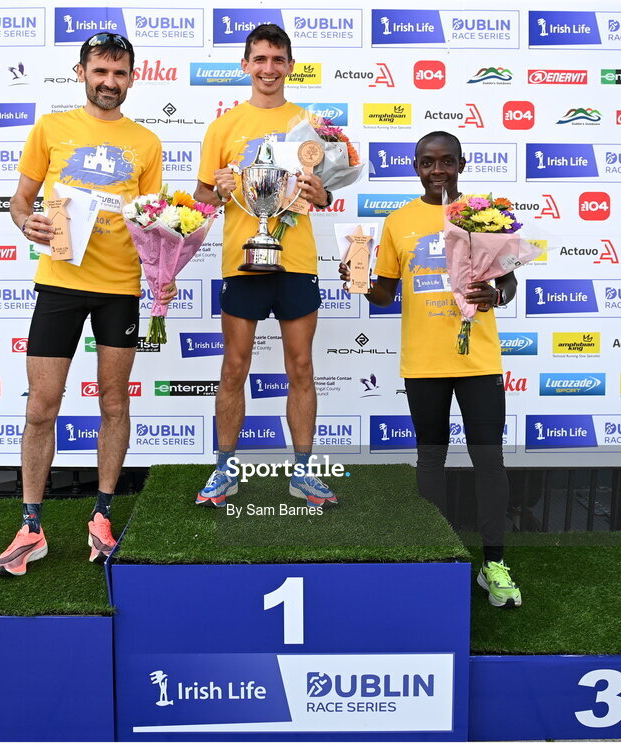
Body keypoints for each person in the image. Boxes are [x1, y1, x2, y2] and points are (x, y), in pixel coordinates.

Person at [0, 33, 171, 576]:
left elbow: (154, 219)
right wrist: (29, 225)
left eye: (119, 73)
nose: (109, 82)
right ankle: (30, 525)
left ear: (132, 78)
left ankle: (103, 514)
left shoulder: (147, 142)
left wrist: (164, 266)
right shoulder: (50, 128)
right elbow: (20, 202)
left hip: (121, 287)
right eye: (101, 72)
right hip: (61, 281)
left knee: (115, 404)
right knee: (41, 406)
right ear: (82, 72)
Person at [340, 131, 522, 608]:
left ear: (461, 163)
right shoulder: (399, 221)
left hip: (478, 359)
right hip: (423, 361)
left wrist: (496, 295)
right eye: (427, 162)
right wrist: (355, 280)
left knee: (489, 461)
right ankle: (435, 557)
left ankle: (495, 564)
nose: (437, 169)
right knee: (430, 460)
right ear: (415, 166)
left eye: (446, 161)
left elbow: (508, 283)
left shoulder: (485, 215)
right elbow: (384, 293)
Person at [191, 24, 338, 509]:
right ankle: (225, 472)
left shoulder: (312, 127)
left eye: (278, 60)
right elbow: (202, 198)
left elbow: (324, 189)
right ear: (245, 65)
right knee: (234, 367)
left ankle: (303, 473)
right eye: (260, 59)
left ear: (291, 66)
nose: (268, 69)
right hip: (242, 259)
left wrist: (324, 193)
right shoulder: (223, 126)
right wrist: (221, 190)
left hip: (296, 261)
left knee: (301, 367)